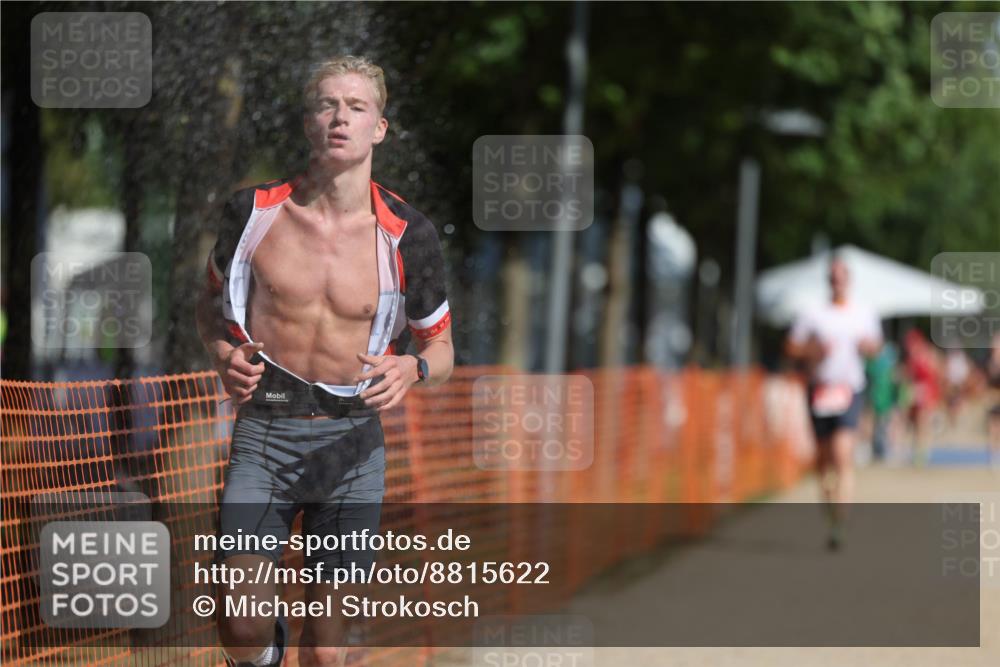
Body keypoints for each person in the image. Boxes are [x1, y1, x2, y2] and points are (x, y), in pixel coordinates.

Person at [196, 55, 454, 667]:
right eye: (326, 104)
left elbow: (440, 349)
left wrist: (412, 370)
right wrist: (223, 353)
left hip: (353, 447)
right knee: (240, 623)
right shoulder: (252, 213)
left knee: (328, 651)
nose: (340, 117)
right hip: (265, 434)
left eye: (356, 106)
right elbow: (207, 306)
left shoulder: (408, 235)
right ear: (308, 121)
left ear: (379, 128)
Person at [785, 256, 882, 550]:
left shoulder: (864, 312)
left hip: (849, 390)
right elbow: (791, 346)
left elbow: (876, 347)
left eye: (841, 276)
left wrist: (868, 347)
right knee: (824, 461)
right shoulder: (813, 313)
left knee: (842, 454)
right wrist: (813, 349)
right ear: (828, 281)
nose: (837, 281)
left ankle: (841, 517)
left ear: (848, 280)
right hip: (820, 390)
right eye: (832, 277)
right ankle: (831, 514)